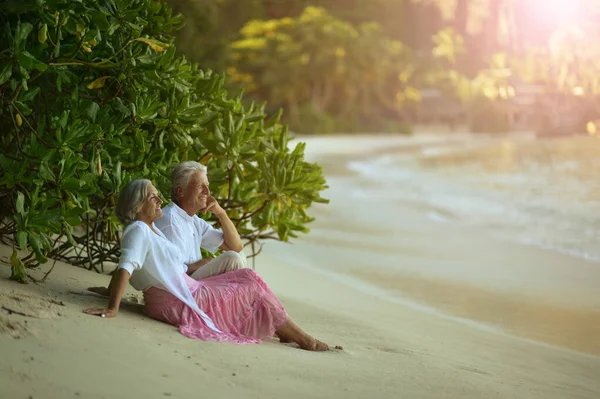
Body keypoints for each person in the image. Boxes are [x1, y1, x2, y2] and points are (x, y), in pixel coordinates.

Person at [83, 179, 340, 351]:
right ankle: (301, 337)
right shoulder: (139, 229)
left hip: (184, 292)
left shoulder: (149, 229)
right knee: (250, 283)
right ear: (138, 205)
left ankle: (284, 328)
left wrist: (109, 290)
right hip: (178, 300)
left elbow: (129, 265)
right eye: (153, 197)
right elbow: (128, 264)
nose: (159, 199)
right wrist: (112, 307)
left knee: (246, 276)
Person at [89, 161, 246, 297]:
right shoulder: (170, 220)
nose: (207, 192)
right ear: (180, 191)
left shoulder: (194, 221)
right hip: (181, 288)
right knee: (233, 259)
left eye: (208, 186)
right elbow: (172, 272)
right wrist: (201, 264)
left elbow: (236, 246)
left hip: (192, 281)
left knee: (238, 256)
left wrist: (221, 213)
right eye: (200, 186)